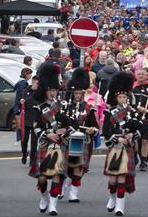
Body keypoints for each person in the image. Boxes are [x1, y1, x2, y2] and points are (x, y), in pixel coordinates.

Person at [28, 63, 70, 215]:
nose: (53, 93)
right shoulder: (39, 108)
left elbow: (72, 125)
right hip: (46, 143)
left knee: (57, 176)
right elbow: (36, 127)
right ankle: (44, 197)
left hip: (60, 144)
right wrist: (47, 134)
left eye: (55, 90)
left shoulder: (63, 106)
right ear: (45, 91)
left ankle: (53, 205)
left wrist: (64, 130)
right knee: (42, 178)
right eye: (50, 90)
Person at [102, 72, 142, 216]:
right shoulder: (109, 112)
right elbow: (105, 130)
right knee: (113, 180)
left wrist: (133, 134)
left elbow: (140, 130)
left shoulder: (132, 112)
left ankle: (120, 207)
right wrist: (116, 138)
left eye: (125, 96)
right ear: (116, 97)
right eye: (120, 97)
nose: (123, 99)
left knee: (121, 178)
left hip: (127, 148)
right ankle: (112, 198)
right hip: (115, 146)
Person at [61, 68, 99, 203]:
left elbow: (96, 127)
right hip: (66, 141)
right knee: (66, 167)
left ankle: (73, 194)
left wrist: (92, 129)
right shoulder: (64, 107)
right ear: (72, 93)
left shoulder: (88, 108)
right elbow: (59, 124)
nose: (78, 96)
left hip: (83, 141)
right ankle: (64, 185)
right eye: (75, 93)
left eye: (80, 93)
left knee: (78, 167)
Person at [132, 67, 148, 172]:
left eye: (143, 74)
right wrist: (138, 108)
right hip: (135, 117)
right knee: (136, 140)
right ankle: (136, 155)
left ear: (147, 75)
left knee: (146, 140)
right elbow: (129, 102)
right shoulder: (133, 87)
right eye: (139, 74)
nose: (141, 76)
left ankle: (144, 161)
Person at [21, 76, 40, 166]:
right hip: (26, 119)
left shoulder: (40, 93)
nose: (38, 85)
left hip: (35, 120)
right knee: (24, 140)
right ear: (33, 82)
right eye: (37, 83)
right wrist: (21, 102)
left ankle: (32, 160)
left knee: (34, 142)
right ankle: (24, 153)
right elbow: (20, 102)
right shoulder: (26, 91)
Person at [14, 68, 33, 147]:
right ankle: (20, 140)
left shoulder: (20, 82)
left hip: (17, 105)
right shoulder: (23, 83)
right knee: (21, 124)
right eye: (29, 74)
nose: (31, 76)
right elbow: (23, 94)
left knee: (20, 124)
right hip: (20, 106)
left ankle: (19, 139)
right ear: (25, 73)